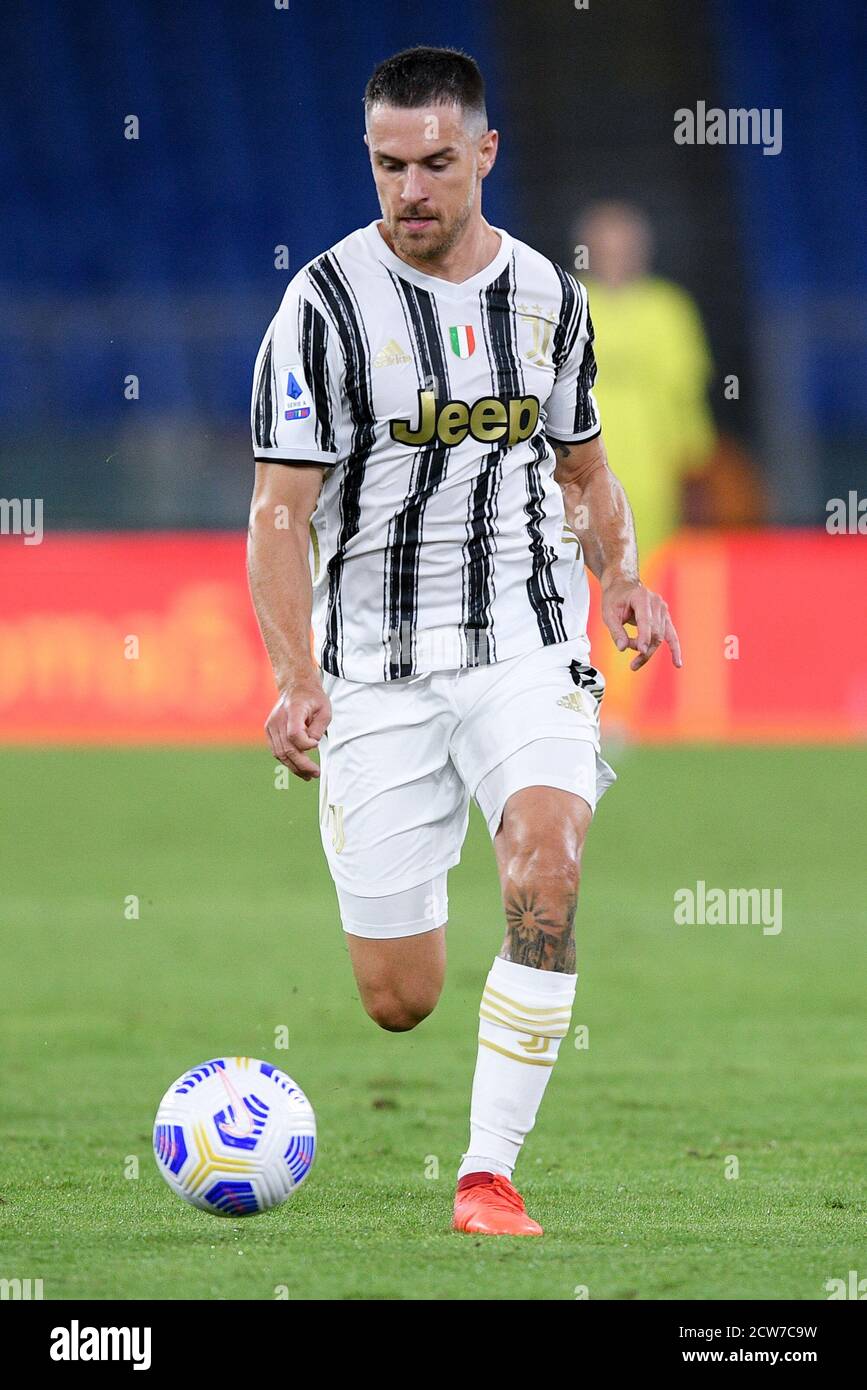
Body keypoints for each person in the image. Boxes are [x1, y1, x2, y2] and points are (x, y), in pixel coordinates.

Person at [247, 47, 680, 1237]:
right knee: (400, 998)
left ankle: (488, 1175)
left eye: (437, 164)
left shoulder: (545, 295)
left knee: (547, 864)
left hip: (526, 643)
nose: (411, 192)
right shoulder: (323, 309)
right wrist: (293, 680)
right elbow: (280, 513)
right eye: (389, 166)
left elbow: (583, 468)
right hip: (376, 665)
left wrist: (625, 577)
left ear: (485, 153)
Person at [576, 201, 716, 557]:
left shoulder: (669, 309)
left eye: (624, 249)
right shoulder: (569, 303)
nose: (616, 259)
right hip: (581, 473)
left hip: (656, 474)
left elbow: (687, 393)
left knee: (653, 567)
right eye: (606, 250)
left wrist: (696, 463)